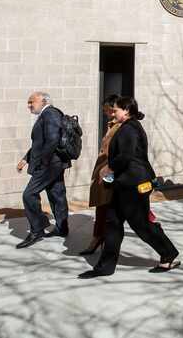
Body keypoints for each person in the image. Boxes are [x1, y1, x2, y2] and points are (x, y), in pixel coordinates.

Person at [78, 97, 180, 278]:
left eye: (115, 110)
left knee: (141, 224)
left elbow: (126, 155)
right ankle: (105, 267)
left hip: (135, 183)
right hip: (124, 183)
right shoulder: (127, 127)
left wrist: (107, 169)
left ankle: (169, 254)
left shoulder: (130, 129)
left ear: (126, 110)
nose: (113, 112)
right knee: (113, 223)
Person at [15, 91, 69, 249]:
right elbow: (39, 143)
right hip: (55, 162)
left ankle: (37, 229)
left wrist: (43, 162)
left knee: (29, 194)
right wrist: (25, 159)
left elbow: (52, 140)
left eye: (32, 102)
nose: (29, 106)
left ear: (43, 101)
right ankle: (62, 227)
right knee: (56, 194)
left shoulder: (50, 114)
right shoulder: (48, 115)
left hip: (50, 164)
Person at [79, 94, 120, 256]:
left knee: (112, 210)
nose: (104, 113)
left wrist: (110, 170)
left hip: (112, 173)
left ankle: (100, 240)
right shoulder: (112, 125)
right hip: (105, 173)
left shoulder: (124, 127)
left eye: (106, 110)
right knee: (103, 208)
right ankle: (99, 238)